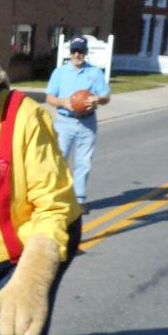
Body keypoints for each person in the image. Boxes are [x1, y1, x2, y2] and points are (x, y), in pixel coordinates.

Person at [45, 35, 111, 214]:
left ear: (86, 52)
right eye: (74, 51)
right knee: (59, 160)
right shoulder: (60, 72)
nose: (77, 54)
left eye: (80, 51)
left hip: (87, 122)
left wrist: (97, 99)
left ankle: (79, 199)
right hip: (65, 122)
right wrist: (63, 102)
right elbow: (50, 97)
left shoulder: (95, 73)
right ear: (70, 53)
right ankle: (57, 198)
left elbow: (106, 96)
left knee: (84, 161)